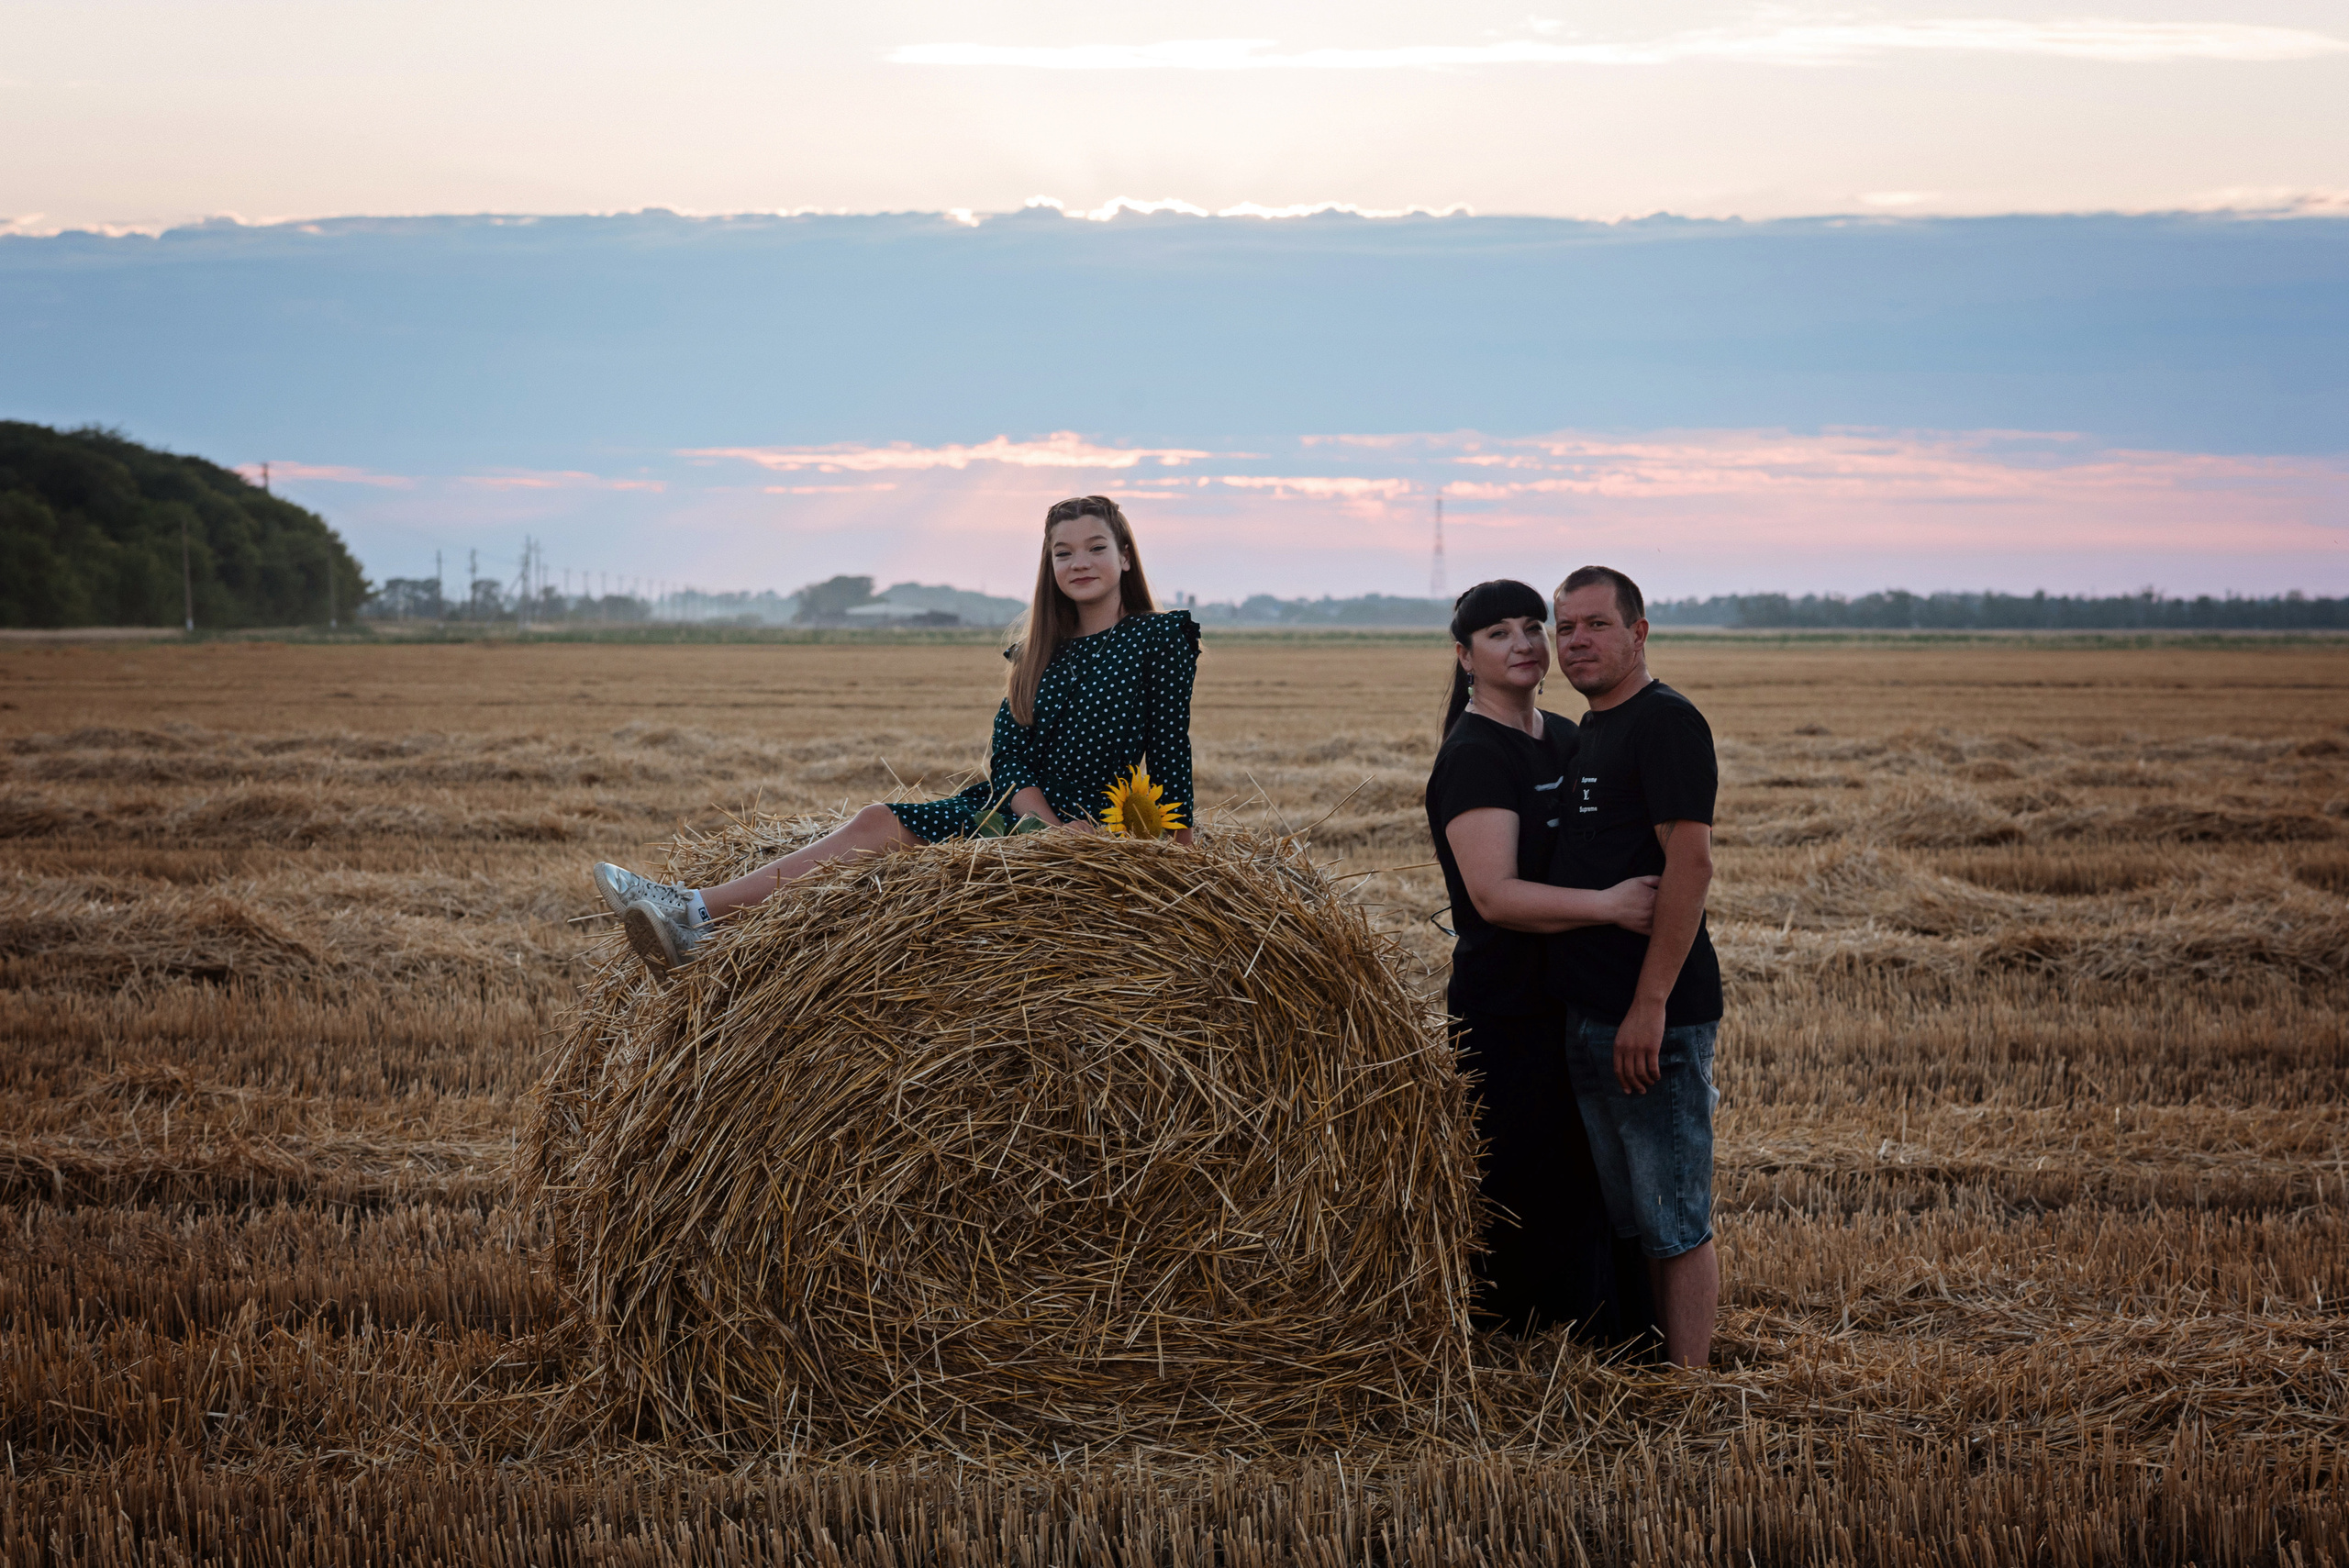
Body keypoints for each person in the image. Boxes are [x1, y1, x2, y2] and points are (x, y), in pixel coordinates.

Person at [592, 495, 1199, 982]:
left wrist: (1183, 873)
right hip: (1012, 814)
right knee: (875, 821)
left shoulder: (1159, 641)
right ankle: (693, 914)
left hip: (1100, 827)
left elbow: (1172, 751)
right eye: (1063, 552)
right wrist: (1040, 827)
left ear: (1125, 557)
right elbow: (1009, 757)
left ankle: (695, 922)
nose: (1079, 561)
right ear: (1051, 567)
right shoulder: (1036, 652)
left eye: (1096, 547)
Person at [1422, 579, 1662, 1345]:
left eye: (1534, 627)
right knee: (1525, 1186)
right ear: (1464, 656)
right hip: (1506, 1009)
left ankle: (1614, 1344)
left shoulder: (1565, 736)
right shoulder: (1473, 756)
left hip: (1574, 998)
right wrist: (1610, 907)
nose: (1525, 643)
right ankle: (1524, 1361)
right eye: (1498, 633)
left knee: (1592, 1185)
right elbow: (1494, 896)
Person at [1544, 565, 1721, 1370]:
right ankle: (1658, 1364)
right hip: (1593, 1013)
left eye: (1595, 624)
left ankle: (1687, 1392)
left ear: (1639, 632)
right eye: (1564, 626)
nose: (1575, 640)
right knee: (1633, 1213)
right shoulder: (1594, 728)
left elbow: (1691, 863)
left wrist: (1650, 1003)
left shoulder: (1665, 723)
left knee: (1673, 1215)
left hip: (1655, 1015)